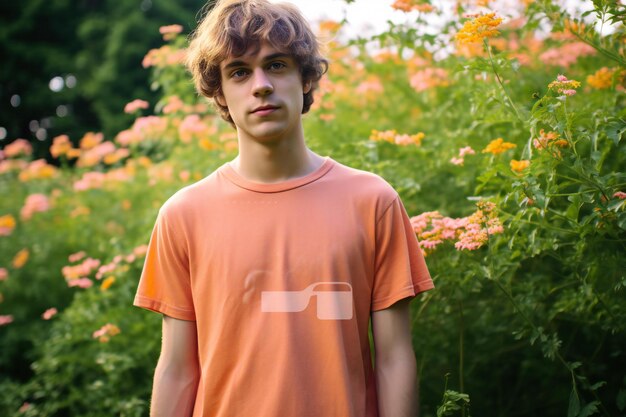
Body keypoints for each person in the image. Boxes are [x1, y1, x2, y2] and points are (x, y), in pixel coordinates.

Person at [133, 0, 434, 416]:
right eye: (239, 71)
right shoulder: (183, 215)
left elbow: (394, 359)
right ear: (219, 92)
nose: (260, 85)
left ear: (306, 78)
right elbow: (177, 370)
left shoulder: (372, 201)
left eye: (276, 65)